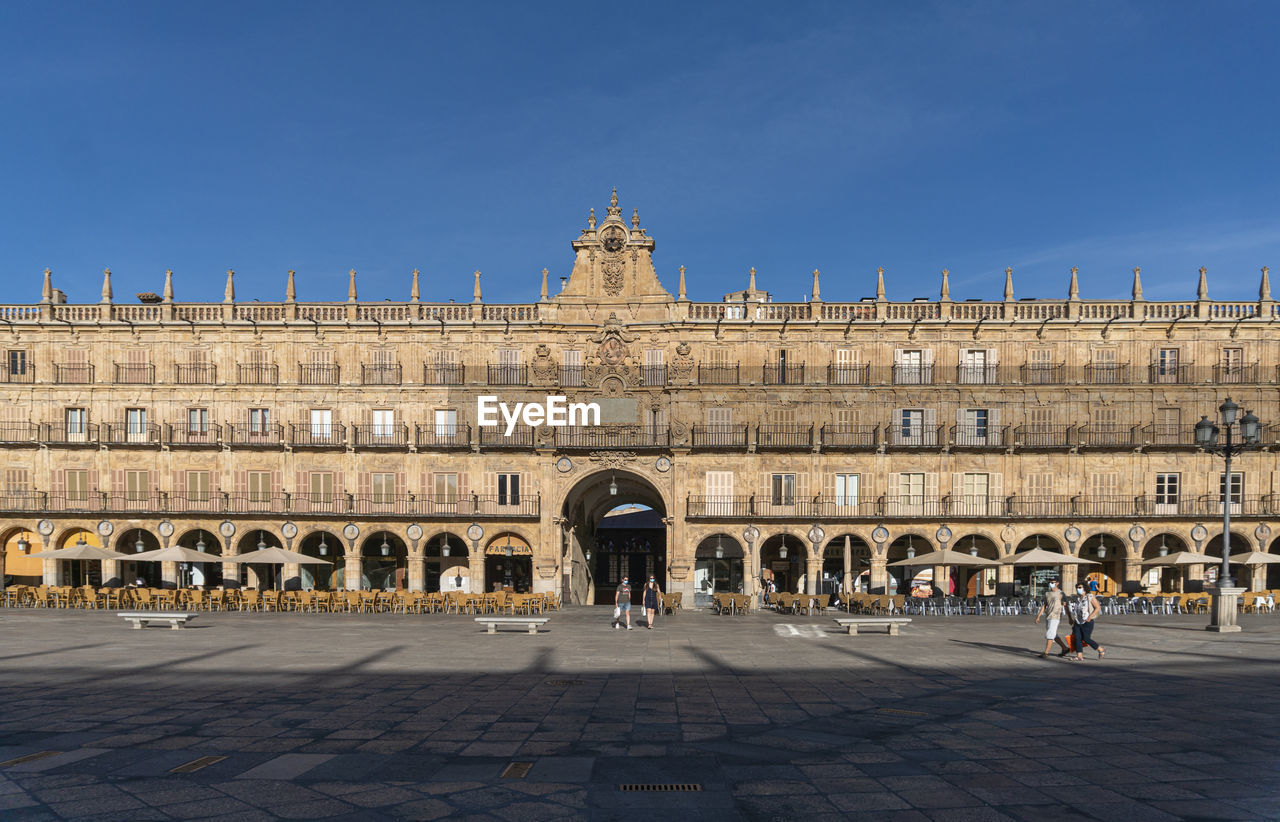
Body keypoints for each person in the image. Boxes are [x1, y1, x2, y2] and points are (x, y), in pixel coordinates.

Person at [1034, 580, 1071, 658]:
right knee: (1053, 634)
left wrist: (1070, 617)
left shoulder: (1061, 593)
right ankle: (1065, 648)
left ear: (1057, 583)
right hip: (1048, 616)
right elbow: (1044, 605)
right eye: (1050, 582)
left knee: (1050, 634)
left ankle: (1046, 653)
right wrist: (1038, 616)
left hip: (1056, 616)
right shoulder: (1047, 594)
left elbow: (1065, 605)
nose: (1051, 583)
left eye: (1053, 582)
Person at [1069, 583, 1106, 660]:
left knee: (1086, 639)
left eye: (1080, 587)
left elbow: (1097, 607)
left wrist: (1090, 617)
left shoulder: (1090, 597)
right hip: (1077, 621)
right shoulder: (1078, 598)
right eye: (1077, 588)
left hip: (1087, 621)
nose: (1078, 589)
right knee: (1077, 638)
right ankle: (1079, 656)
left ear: (1085, 588)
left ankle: (1100, 649)